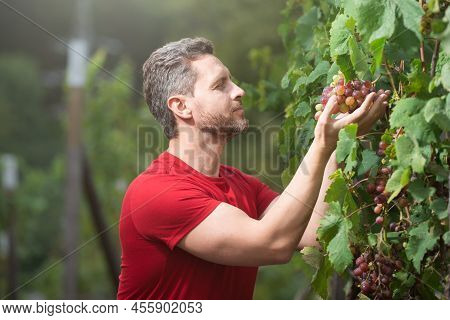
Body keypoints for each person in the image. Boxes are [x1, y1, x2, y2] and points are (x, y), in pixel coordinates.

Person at [116, 37, 390, 299]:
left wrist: (334, 144)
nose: (239, 91)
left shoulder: (241, 185)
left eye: (231, 80)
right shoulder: (155, 192)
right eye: (220, 85)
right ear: (181, 106)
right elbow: (273, 244)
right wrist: (321, 143)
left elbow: (312, 232)